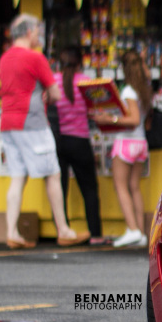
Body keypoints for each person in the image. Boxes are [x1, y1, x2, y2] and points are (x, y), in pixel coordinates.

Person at [0, 15, 86, 248]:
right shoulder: (35, 57)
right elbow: (56, 94)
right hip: (32, 121)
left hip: (8, 122)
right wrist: (46, 95)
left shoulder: (4, 59)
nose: (39, 35)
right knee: (53, 174)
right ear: (28, 33)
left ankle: (12, 232)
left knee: (17, 177)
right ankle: (64, 230)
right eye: (37, 31)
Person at [94, 50, 153, 248]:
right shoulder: (144, 88)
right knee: (134, 187)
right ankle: (141, 233)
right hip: (141, 144)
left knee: (120, 186)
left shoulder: (128, 91)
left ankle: (132, 229)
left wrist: (110, 119)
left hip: (126, 142)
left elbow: (134, 120)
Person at [51, 46, 106, 245]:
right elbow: (95, 110)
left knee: (59, 188)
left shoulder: (54, 82)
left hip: (58, 142)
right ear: (79, 63)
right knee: (89, 189)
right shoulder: (85, 82)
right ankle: (96, 234)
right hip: (80, 141)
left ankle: (62, 230)